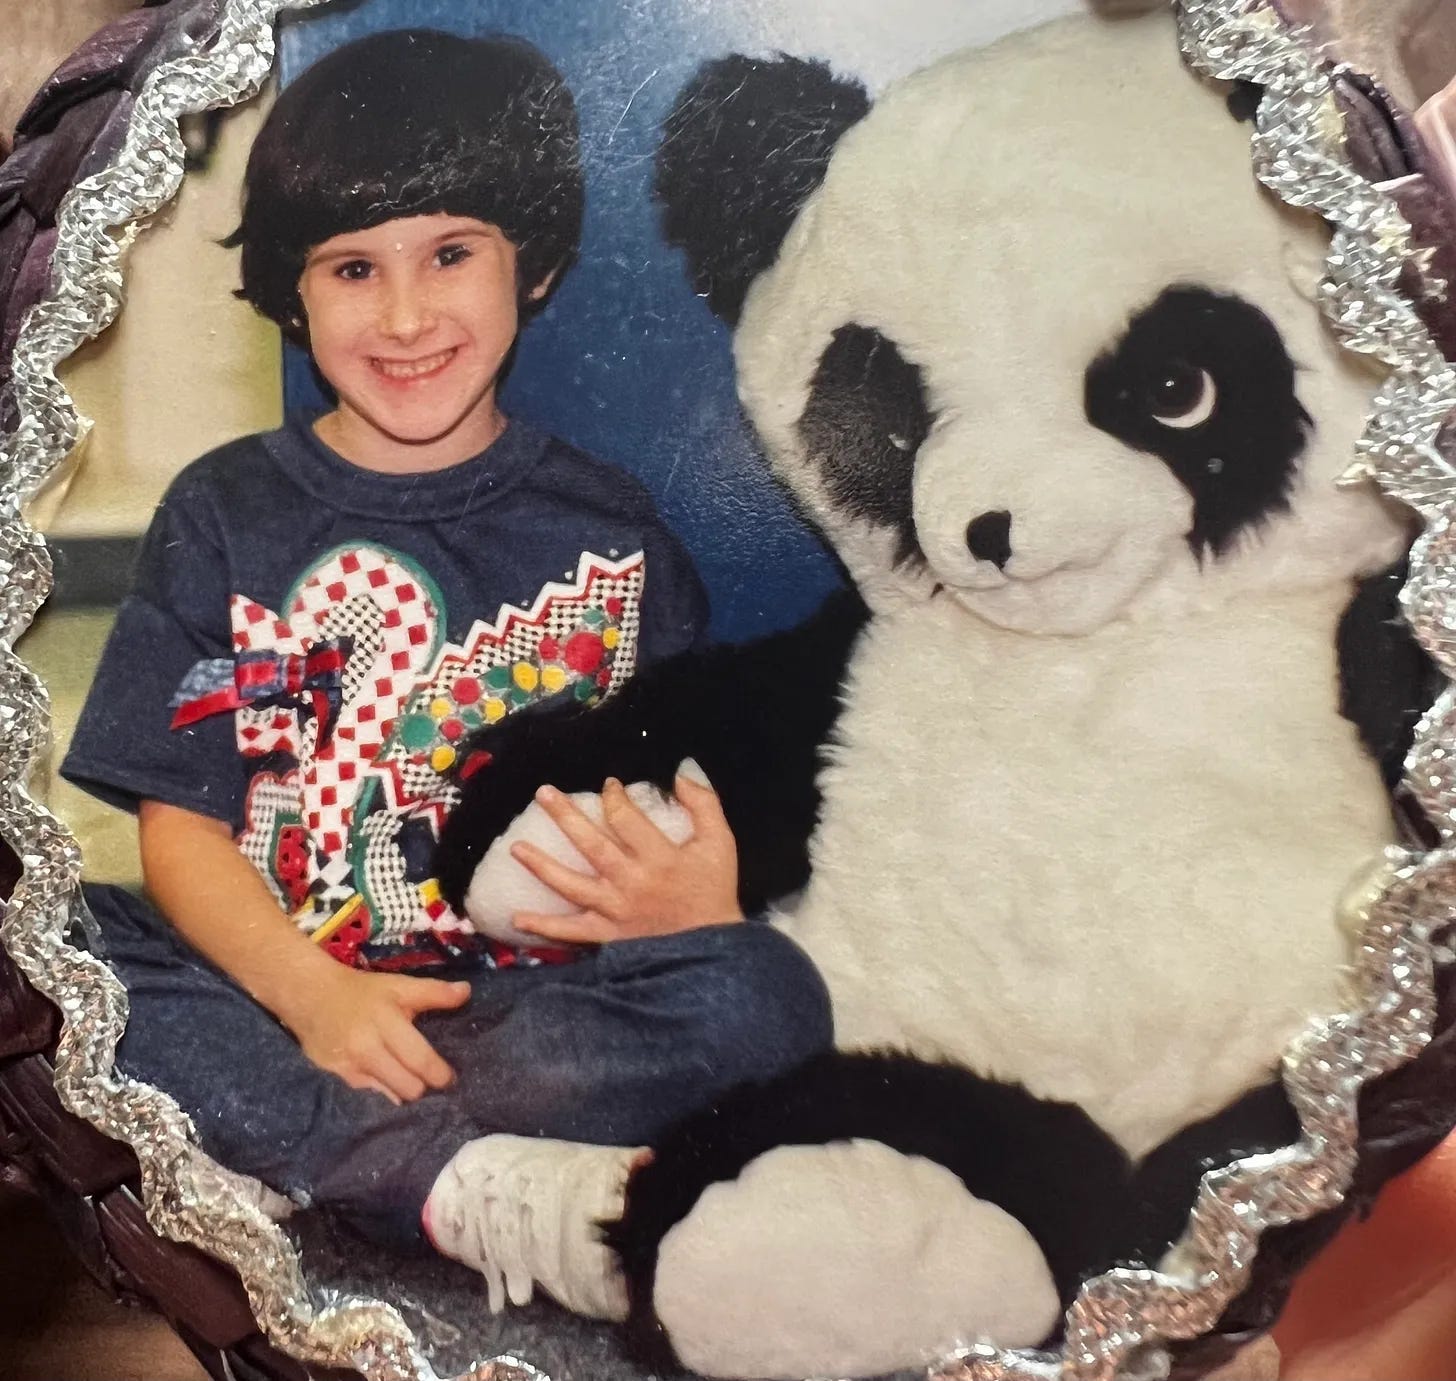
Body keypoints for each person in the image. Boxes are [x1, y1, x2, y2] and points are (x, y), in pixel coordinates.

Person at [60, 28, 831, 1322]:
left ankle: (314, 1156)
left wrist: (701, 897)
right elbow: (177, 822)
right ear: (291, 290)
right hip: (279, 991)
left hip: (505, 1028)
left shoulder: (616, 533)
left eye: (451, 254)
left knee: (766, 990)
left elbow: (693, 808)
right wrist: (311, 995)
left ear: (531, 264)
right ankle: (443, 1181)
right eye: (354, 266)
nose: (408, 316)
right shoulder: (230, 511)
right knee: (57, 935)